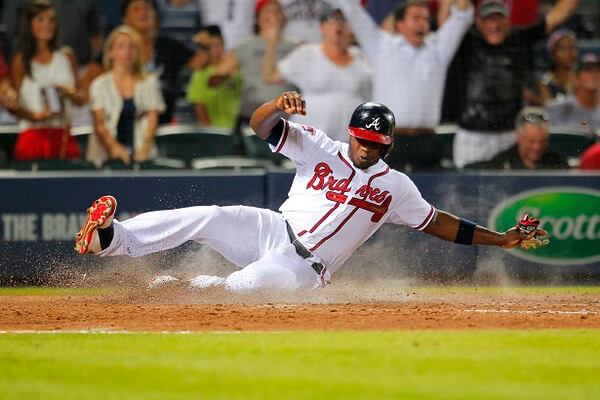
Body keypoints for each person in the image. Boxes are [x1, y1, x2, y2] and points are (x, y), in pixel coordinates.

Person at [74, 91, 548, 294]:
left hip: (303, 268)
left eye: (378, 143)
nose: (367, 148)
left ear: (389, 144)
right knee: (209, 215)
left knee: (246, 288)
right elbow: (261, 125)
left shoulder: (396, 187)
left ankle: (176, 291)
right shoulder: (320, 145)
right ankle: (112, 239)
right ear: (352, 132)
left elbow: (441, 224)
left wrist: (501, 239)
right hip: (273, 228)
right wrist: (278, 103)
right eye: (363, 139)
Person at [335, 0, 473, 169]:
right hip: (388, 141)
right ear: (399, 24)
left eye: (425, 18)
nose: (422, 23)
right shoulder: (379, 45)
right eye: (416, 18)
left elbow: (461, 18)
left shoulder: (438, 49)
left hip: (427, 141)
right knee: (385, 193)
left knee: (429, 194)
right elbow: (353, 10)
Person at [447, 0, 579, 169]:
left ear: (508, 22)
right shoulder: (464, 41)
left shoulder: (519, 39)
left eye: (499, 19)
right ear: (478, 22)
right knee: (468, 187)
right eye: (489, 19)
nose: (495, 25)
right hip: (472, 136)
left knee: (508, 190)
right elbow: (448, 17)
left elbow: (557, 16)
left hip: (509, 135)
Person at [85, 0, 206, 124]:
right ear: (125, 19)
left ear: (155, 15)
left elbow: (201, 64)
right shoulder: (115, 50)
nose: (143, 13)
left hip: (165, 125)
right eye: (136, 9)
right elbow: (85, 88)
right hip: (124, 128)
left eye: (147, 8)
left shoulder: (169, 47)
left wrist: (207, 46)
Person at [262, 7, 371, 141]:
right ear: (322, 27)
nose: (338, 24)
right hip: (311, 137)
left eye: (343, 20)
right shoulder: (308, 53)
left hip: (349, 138)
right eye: (332, 20)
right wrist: (272, 41)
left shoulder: (361, 57)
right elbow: (270, 76)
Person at [10, 0, 87, 161]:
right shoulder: (20, 61)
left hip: (63, 135)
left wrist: (69, 92)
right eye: (40, 19)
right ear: (29, 24)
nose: (47, 25)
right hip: (32, 137)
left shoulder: (67, 56)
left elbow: (82, 98)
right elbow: (13, 106)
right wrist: (35, 116)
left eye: (51, 20)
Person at [87, 26, 165, 167]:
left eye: (132, 46)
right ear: (110, 52)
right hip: (106, 157)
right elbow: (99, 124)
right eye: (121, 46)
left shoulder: (149, 82)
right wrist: (114, 147)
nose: (127, 51)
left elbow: (152, 119)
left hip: (143, 154)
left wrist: (145, 149)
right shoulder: (99, 85)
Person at [214, 0, 299, 130]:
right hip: (251, 113)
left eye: (277, 11)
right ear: (258, 18)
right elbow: (218, 74)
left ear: (284, 18)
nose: (273, 15)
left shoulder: (297, 47)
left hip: (289, 117)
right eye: (268, 11)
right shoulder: (244, 45)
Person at [465, 107, 569, 170]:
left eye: (542, 141)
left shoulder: (557, 166)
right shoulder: (500, 164)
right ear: (519, 137)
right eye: (531, 141)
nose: (537, 147)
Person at [186, 25, 242, 129]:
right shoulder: (200, 74)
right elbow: (199, 106)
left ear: (223, 45)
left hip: (235, 127)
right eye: (211, 46)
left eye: (218, 45)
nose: (215, 50)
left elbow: (240, 97)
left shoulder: (235, 73)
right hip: (214, 128)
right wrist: (209, 131)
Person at [546, 52, 600, 134]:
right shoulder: (556, 109)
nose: (594, 75)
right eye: (587, 70)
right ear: (575, 78)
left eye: (597, 71)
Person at [528, 29, 578, 106]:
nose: (570, 53)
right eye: (563, 49)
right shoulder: (544, 81)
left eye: (572, 48)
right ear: (552, 54)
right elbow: (549, 107)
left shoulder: (583, 79)